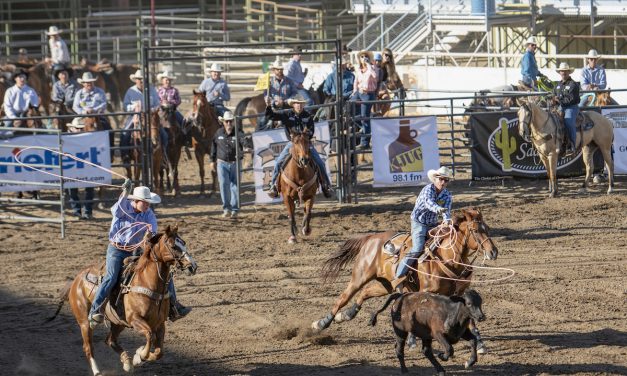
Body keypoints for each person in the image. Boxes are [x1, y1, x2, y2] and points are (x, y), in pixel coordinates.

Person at [88, 183, 191, 327]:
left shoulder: (148, 214)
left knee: (164, 272)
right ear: (135, 201)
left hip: (137, 249)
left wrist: (149, 237)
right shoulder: (123, 208)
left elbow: (153, 234)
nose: (148, 205)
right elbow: (116, 209)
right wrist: (125, 191)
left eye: (149, 202)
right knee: (111, 277)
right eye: (145, 202)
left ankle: (174, 306)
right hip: (117, 249)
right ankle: (95, 310)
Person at [392, 166, 453, 292]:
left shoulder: (447, 195)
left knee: (441, 245)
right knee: (417, 248)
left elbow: (447, 210)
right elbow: (428, 203)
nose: (443, 182)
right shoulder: (427, 190)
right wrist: (438, 209)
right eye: (441, 179)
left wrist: (446, 220)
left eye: (446, 180)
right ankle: (398, 277)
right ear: (435, 179)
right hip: (418, 222)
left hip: (433, 223)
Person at [264, 94, 333, 199]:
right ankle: (273, 185)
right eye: (297, 103)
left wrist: (304, 136)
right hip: (292, 144)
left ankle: (326, 185)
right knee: (279, 162)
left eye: (301, 104)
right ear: (293, 105)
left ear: (303, 105)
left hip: (306, 144)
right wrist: (268, 106)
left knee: (319, 162)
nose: (299, 105)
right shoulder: (287, 114)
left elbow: (311, 131)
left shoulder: (307, 116)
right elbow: (271, 116)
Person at [210, 111, 246, 218]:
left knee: (235, 186)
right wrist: (212, 160)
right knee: (223, 185)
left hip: (235, 162)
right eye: (227, 122)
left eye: (231, 121)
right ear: (223, 122)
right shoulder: (218, 133)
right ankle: (226, 208)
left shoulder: (238, 132)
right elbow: (213, 146)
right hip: (222, 163)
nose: (229, 124)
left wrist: (247, 146)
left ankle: (234, 209)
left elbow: (244, 141)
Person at [122, 70, 162, 161]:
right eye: (139, 79)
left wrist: (152, 110)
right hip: (135, 116)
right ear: (135, 80)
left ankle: (163, 156)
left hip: (150, 116)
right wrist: (134, 107)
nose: (141, 81)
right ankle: (125, 156)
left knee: (163, 133)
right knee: (125, 133)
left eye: (142, 79)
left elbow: (157, 103)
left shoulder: (152, 89)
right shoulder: (130, 91)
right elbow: (125, 106)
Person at [65, 118, 95, 219]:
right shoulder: (65, 139)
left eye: (81, 128)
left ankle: (87, 211)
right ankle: (77, 211)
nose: (79, 131)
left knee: (89, 188)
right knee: (72, 189)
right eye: (77, 128)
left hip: (86, 167)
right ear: (71, 128)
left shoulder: (89, 138)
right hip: (72, 168)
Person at [351, 50, 378, 150]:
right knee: (348, 106)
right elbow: (356, 81)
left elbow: (375, 77)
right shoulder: (359, 69)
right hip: (359, 92)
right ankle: (357, 125)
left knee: (365, 117)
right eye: (362, 57)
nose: (364, 58)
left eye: (365, 56)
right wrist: (354, 91)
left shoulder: (372, 68)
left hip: (368, 94)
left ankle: (365, 142)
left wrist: (369, 65)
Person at [260, 59, 297, 130]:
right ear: (274, 70)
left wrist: (285, 101)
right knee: (262, 122)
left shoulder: (289, 81)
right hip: (273, 108)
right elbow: (266, 95)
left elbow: (294, 93)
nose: (279, 71)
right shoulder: (269, 82)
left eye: (281, 69)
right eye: (277, 69)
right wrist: (274, 102)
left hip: (287, 108)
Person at [553, 62, 580, 154]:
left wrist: (558, 100)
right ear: (559, 72)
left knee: (568, 121)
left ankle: (572, 144)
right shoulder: (557, 85)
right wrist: (552, 99)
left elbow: (571, 99)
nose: (563, 73)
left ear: (569, 72)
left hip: (571, 107)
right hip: (560, 107)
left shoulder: (573, 84)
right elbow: (553, 94)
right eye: (562, 71)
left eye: (565, 71)